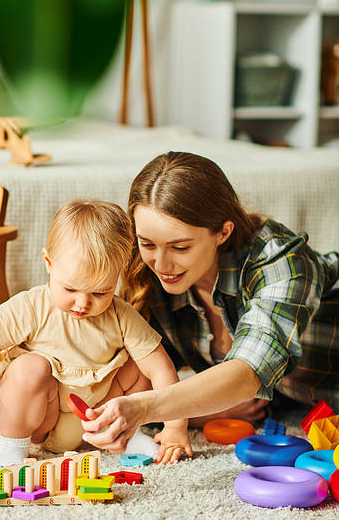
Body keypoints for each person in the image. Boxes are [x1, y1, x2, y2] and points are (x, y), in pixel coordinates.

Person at [81, 151, 339, 456]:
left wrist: (146, 408)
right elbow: (130, 377)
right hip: (297, 401)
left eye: (180, 246)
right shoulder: (150, 273)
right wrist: (205, 412)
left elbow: (247, 373)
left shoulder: (281, 260)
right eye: (147, 243)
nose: (160, 263)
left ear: (223, 232)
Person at [0, 198, 192, 466]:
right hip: (42, 420)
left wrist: (175, 427)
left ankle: (129, 435)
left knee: (142, 360)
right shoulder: (31, 307)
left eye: (100, 292)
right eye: (70, 289)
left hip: (99, 412)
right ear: (48, 263)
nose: (83, 303)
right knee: (29, 368)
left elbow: (160, 369)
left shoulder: (121, 315)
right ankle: (12, 448)